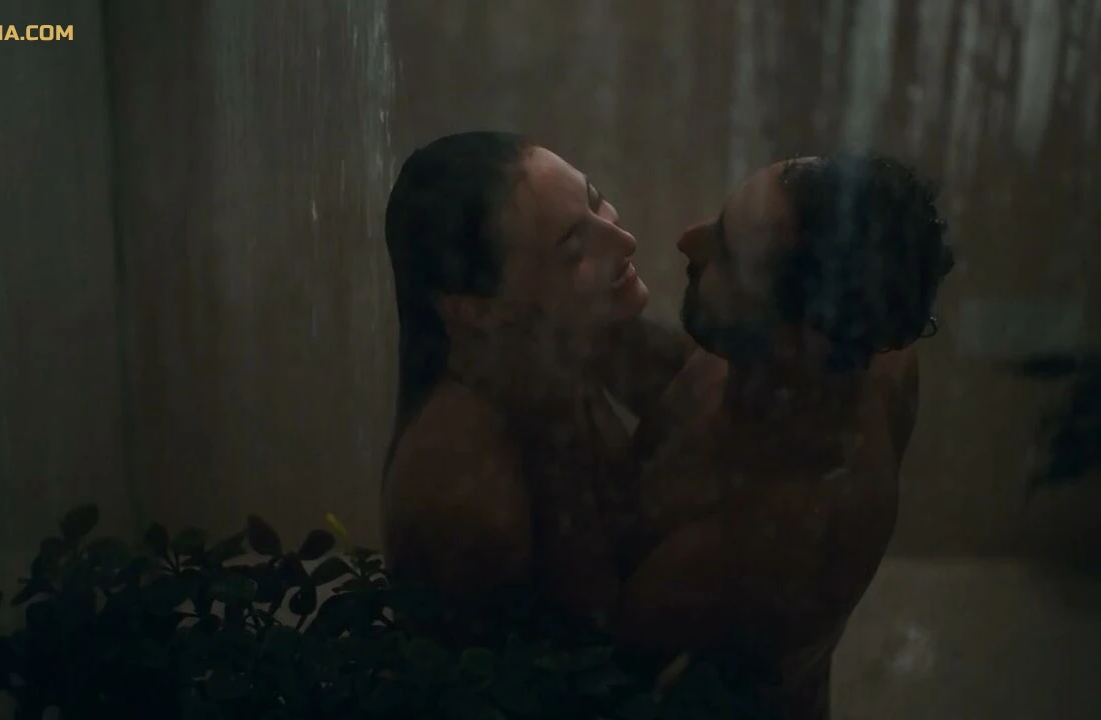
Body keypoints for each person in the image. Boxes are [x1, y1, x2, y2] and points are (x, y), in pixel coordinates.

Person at [616, 154, 955, 718]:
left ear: (796, 338)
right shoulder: (870, 359)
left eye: (727, 253)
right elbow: (694, 381)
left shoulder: (735, 552)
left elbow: (590, 678)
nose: (687, 241)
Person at [380, 131, 648, 633]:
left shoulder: (565, 336)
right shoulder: (467, 496)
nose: (624, 240)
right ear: (475, 310)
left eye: (595, 199)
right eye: (574, 248)